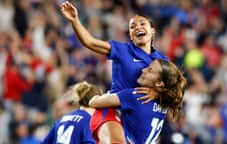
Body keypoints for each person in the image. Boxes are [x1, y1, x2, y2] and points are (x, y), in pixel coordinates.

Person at [61, 1, 169, 143]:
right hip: (114, 111)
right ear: (130, 35)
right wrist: (75, 21)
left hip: (137, 121)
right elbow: (90, 42)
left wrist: (159, 92)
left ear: (153, 30)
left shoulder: (163, 60)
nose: (138, 27)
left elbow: (177, 87)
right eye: (132, 26)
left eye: (142, 24)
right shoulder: (122, 50)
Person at [88, 59, 187, 143]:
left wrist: (110, 93)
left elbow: (93, 102)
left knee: (105, 112)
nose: (144, 70)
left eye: (150, 70)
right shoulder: (163, 102)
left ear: (159, 83)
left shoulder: (136, 96)